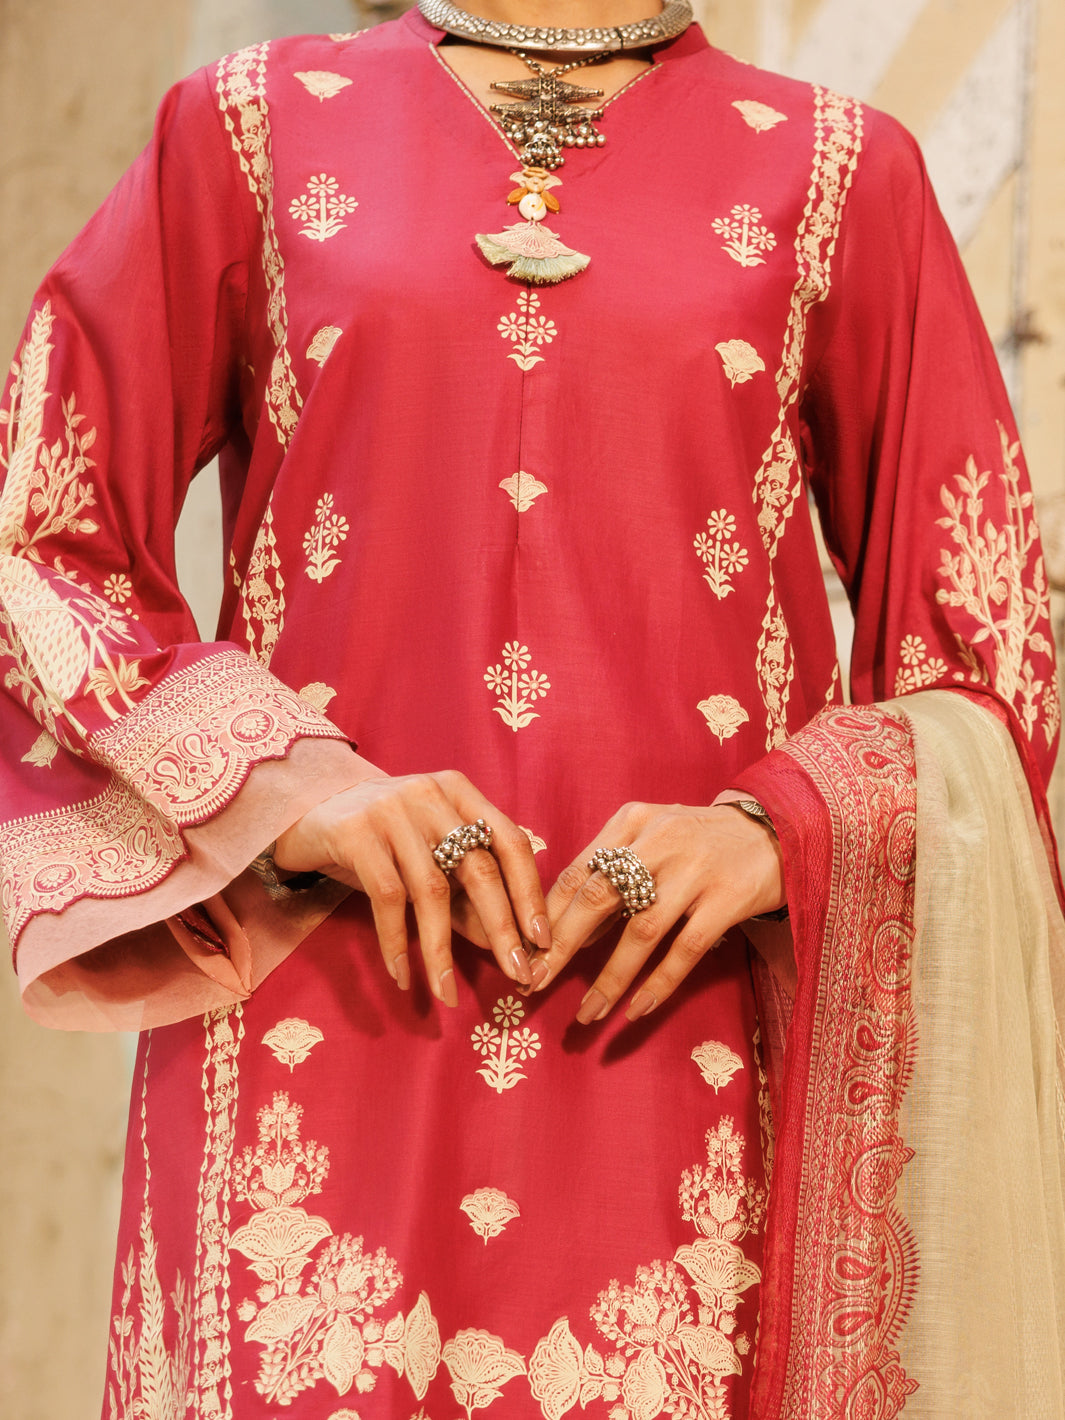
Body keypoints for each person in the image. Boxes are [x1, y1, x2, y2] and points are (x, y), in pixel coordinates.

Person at [1, 1, 1063, 1415]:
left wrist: (776, 832)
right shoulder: (248, 127)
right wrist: (290, 789)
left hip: (681, 1037)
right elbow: (42, 547)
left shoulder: (838, 170)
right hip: (316, 1044)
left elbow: (985, 653)